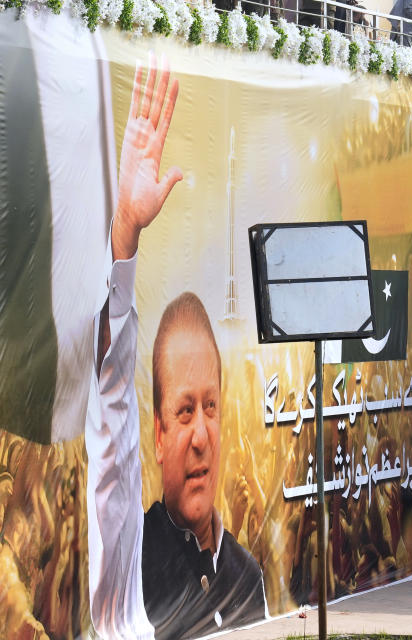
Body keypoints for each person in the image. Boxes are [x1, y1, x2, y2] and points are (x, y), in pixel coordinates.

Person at [87, 57, 267, 639]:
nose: (200, 435)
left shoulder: (249, 577)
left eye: (209, 408)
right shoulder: (129, 559)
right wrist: (125, 234)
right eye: (184, 411)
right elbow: (111, 411)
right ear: (159, 434)